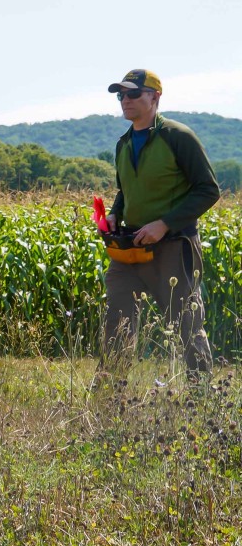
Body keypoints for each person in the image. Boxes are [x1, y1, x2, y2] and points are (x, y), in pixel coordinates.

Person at [101, 68, 219, 376]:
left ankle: (205, 402)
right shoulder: (123, 143)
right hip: (129, 249)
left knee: (185, 325)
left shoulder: (178, 137)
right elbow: (125, 191)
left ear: (155, 96)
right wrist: (115, 213)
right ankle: (107, 403)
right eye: (121, 95)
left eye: (133, 93)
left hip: (174, 247)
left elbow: (208, 190)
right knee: (116, 322)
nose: (125, 100)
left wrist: (164, 224)